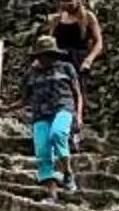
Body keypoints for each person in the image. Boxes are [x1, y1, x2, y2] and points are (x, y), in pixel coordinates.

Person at [50, 0, 105, 145]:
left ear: (79, 0)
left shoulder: (88, 17)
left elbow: (98, 42)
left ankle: (75, 129)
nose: (66, 4)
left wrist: (89, 60)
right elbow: (50, 41)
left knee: (76, 94)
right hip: (58, 59)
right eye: (63, 0)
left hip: (78, 60)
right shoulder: (56, 19)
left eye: (70, 0)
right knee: (56, 94)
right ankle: (57, 130)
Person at [26, 36, 79, 193]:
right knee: (42, 150)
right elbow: (24, 98)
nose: (45, 58)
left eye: (48, 54)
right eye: (42, 55)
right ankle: (51, 192)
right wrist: (5, 108)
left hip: (63, 107)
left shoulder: (66, 68)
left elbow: (77, 93)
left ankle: (68, 172)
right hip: (40, 114)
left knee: (58, 134)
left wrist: (79, 115)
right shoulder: (31, 73)